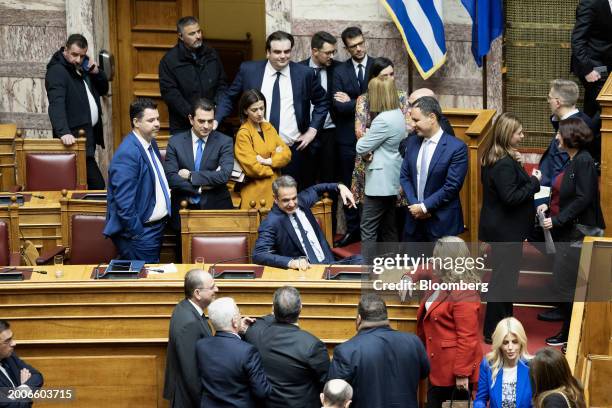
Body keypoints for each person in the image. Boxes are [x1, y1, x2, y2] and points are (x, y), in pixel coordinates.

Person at [215, 31, 328, 189]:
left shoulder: (305, 74)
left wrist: (312, 130)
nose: (283, 56)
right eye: (277, 52)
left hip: (294, 151)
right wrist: (215, 120)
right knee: (262, 203)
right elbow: (229, 97)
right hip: (258, 154)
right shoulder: (249, 70)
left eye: (287, 51)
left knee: (294, 200)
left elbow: (323, 101)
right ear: (267, 52)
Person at [537, 118, 605, 347]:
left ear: (571, 137)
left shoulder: (583, 161)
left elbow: (583, 198)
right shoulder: (573, 160)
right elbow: (564, 192)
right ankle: (569, 333)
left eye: (560, 134)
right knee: (566, 285)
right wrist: (548, 204)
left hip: (579, 234)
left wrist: (557, 221)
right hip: (569, 232)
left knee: (566, 285)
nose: (556, 138)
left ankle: (572, 335)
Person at [479, 113, 542, 341]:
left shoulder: (498, 158)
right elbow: (511, 197)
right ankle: (492, 331)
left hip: (503, 230)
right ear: (508, 134)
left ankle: (504, 325)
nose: (522, 136)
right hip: (505, 232)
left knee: (505, 281)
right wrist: (534, 182)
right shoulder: (504, 163)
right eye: (519, 132)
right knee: (502, 282)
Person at [328, 293, 429, 408]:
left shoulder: (346, 351)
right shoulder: (414, 342)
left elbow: (335, 394)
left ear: (359, 318)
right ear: (386, 317)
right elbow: (424, 373)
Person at [415, 236, 483, 408]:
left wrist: (462, 374)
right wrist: (408, 278)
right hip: (436, 365)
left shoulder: (465, 292)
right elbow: (422, 269)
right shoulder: (440, 277)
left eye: (436, 256)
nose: (433, 259)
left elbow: (467, 338)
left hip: (452, 372)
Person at [103, 98, 171, 263]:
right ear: (136, 122)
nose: (157, 124)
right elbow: (124, 204)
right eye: (151, 120)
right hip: (141, 234)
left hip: (154, 229)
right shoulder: (128, 153)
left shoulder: (150, 143)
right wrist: (137, 232)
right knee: (145, 284)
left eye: (157, 118)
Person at [399, 97, 468, 255]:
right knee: (413, 273)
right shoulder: (412, 143)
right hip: (414, 224)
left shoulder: (456, 148)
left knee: (444, 276)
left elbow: (451, 186)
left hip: (441, 223)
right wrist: (416, 206)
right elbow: (405, 176)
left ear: (432, 117)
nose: (412, 124)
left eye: (416, 120)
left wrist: (425, 207)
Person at [244, 286, 329, 407]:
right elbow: (326, 383)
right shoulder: (313, 345)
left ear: (273, 309)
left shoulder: (253, 333)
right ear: (300, 308)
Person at [252, 175, 360, 270]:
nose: (292, 204)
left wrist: (339, 187)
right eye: (286, 200)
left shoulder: (301, 200)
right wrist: (291, 262)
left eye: (294, 198)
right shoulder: (271, 222)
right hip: (309, 272)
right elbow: (259, 254)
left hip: (330, 265)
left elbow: (316, 189)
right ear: (275, 198)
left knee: (366, 261)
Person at [351, 58, 412, 224]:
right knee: (369, 213)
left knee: (393, 214)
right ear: (374, 78)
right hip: (368, 157)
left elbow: (408, 127)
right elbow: (360, 131)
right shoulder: (364, 99)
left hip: (392, 156)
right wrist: (368, 151)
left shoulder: (401, 96)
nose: (391, 78)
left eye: (392, 74)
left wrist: (375, 134)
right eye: (385, 76)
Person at [45, 33, 108, 189]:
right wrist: (63, 132)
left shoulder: (82, 67)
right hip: (73, 140)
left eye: (82, 55)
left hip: (87, 136)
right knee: (97, 188)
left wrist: (96, 72)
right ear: (65, 50)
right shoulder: (57, 71)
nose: (78, 59)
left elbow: (103, 89)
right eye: (74, 55)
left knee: (86, 187)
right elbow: (56, 103)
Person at [331, 26, 374, 248]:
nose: (358, 48)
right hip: (347, 140)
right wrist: (362, 100)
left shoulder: (377, 66)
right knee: (349, 186)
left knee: (374, 186)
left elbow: (379, 102)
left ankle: (371, 232)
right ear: (346, 49)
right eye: (353, 46)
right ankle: (352, 230)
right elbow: (338, 107)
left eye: (361, 43)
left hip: (375, 136)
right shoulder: (339, 71)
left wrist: (353, 100)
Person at [163, 98, 234, 225]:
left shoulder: (225, 142)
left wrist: (190, 176)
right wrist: (199, 188)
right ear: (191, 119)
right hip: (183, 210)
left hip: (216, 210)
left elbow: (224, 175)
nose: (206, 126)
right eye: (201, 121)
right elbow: (171, 178)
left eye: (210, 121)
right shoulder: (175, 142)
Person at [355, 77, 406, 246]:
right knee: (389, 226)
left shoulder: (382, 119)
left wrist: (368, 134)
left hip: (379, 181)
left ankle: (368, 271)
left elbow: (361, 146)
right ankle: (393, 269)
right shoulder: (398, 113)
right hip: (391, 176)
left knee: (368, 227)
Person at [195, 297, 271, 407]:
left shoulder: (201, 346)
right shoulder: (248, 351)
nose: (241, 316)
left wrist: (237, 327)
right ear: (234, 321)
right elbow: (262, 392)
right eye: (239, 313)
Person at [159, 16, 228, 133]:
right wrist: (193, 115)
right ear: (180, 36)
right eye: (192, 34)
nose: (198, 36)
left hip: (211, 121)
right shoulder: (169, 60)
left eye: (199, 31)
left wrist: (214, 109)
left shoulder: (212, 54)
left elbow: (222, 84)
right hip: (183, 125)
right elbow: (170, 94)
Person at [300, 31, 341, 222]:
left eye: (333, 52)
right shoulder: (297, 69)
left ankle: (329, 230)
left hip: (329, 135)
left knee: (329, 183)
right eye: (328, 52)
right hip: (303, 135)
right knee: (304, 181)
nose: (332, 56)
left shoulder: (339, 70)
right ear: (315, 51)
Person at [163, 269, 218, 408]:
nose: (217, 289)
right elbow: (191, 373)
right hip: (188, 399)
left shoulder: (184, 306)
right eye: (212, 287)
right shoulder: (189, 323)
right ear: (197, 294)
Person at [234, 89, 291, 209]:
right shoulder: (243, 134)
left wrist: (267, 161)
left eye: (262, 108)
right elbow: (253, 168)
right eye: (254, 110)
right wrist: (275, 162)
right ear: (245, 111)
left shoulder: (268, 127)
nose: (260, 113)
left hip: (275, 191)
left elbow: (287, 154)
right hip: (256, 195)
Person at [540, 79, 599, 187]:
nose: (548, 101)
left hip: (558, 193)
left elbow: (559, 169)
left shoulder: (573, 129)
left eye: (550, 97)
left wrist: (545, 198)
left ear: (558, 102)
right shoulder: (580, 120)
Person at [474, 317, 533, 408]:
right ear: (499, 344)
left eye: (514, 342)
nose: (510, 347)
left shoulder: (532, 366)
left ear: (521, 342)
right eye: (505, 342)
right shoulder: (488, 365)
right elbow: (480, 400)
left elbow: (540, 400)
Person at [570, 0, 612, 119]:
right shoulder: (590, 2)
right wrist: (587, 69)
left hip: (606, 63)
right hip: (594, 65)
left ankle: (587, 135)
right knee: (605, 104)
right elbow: (578, 40)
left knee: (593, 107)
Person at [398, 88, 455, 159]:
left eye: (413, 105)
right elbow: (402, 146)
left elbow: (406, 150)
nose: (409, 109)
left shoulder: (441, 128)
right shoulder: (421, 123)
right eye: (409, 105)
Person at [0, 320, 44, 408]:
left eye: (12, 338)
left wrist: (22, 387)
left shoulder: (9, 357)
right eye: (7, 341)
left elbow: (37, 376)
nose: (14, 343)